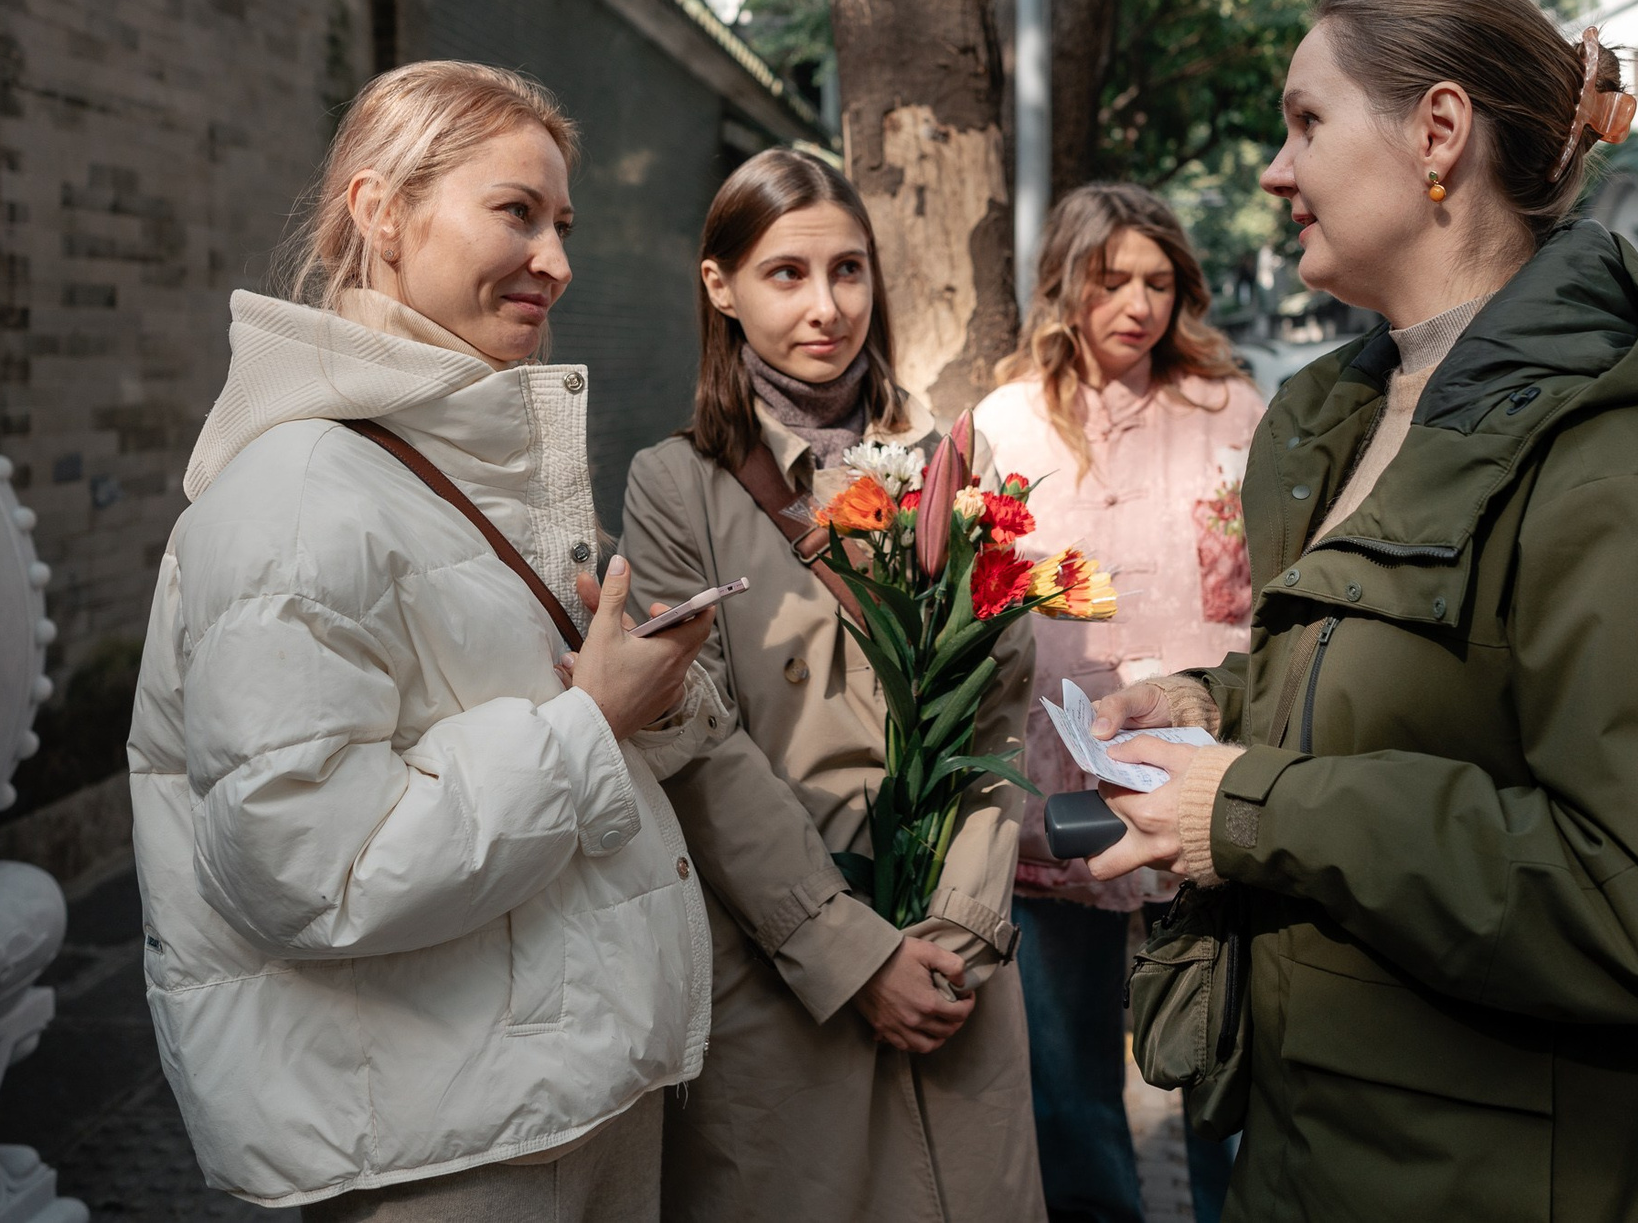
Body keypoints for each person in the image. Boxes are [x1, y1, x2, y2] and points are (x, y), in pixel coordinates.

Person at [1089, 0, 1638, 1223]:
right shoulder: (1351, 415)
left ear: (1437, 131)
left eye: (1305, 123)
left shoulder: (1617, 466)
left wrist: (1250, 808)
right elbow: (1408, 677)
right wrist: (1212, 702)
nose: (1273, 169)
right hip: (1326, 1155)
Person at [128, 62, 722, 1223]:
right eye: (516, 212)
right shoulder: (301, 490)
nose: (556, 259)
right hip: (440, 1147)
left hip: (539, 1096)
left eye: (562, 223)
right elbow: (314, 871)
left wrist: (638, 683)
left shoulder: (467, 464)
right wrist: (590, 717)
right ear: (380, 212)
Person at [619, 148, 1042, 1223]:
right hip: (790, 971)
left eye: (848, 271)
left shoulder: (954, 457)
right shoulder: (678, 484)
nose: (826, 307)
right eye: (786, 274)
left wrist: (958, 929)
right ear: (720, 287)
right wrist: (852, 954)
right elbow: (696, 744)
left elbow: (998, 712)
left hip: (953, 974)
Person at [970, 183, 1264, 1223]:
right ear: (1067, 285)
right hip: (1058, 793)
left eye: (1158, 282)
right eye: (1112, 281)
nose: (1137, 305)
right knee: (1068, 1086)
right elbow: (972, 603)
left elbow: (1265, 581)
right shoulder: (1004, 425)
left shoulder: (1229, 407)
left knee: (1229, 1073)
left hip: (1207, 778)